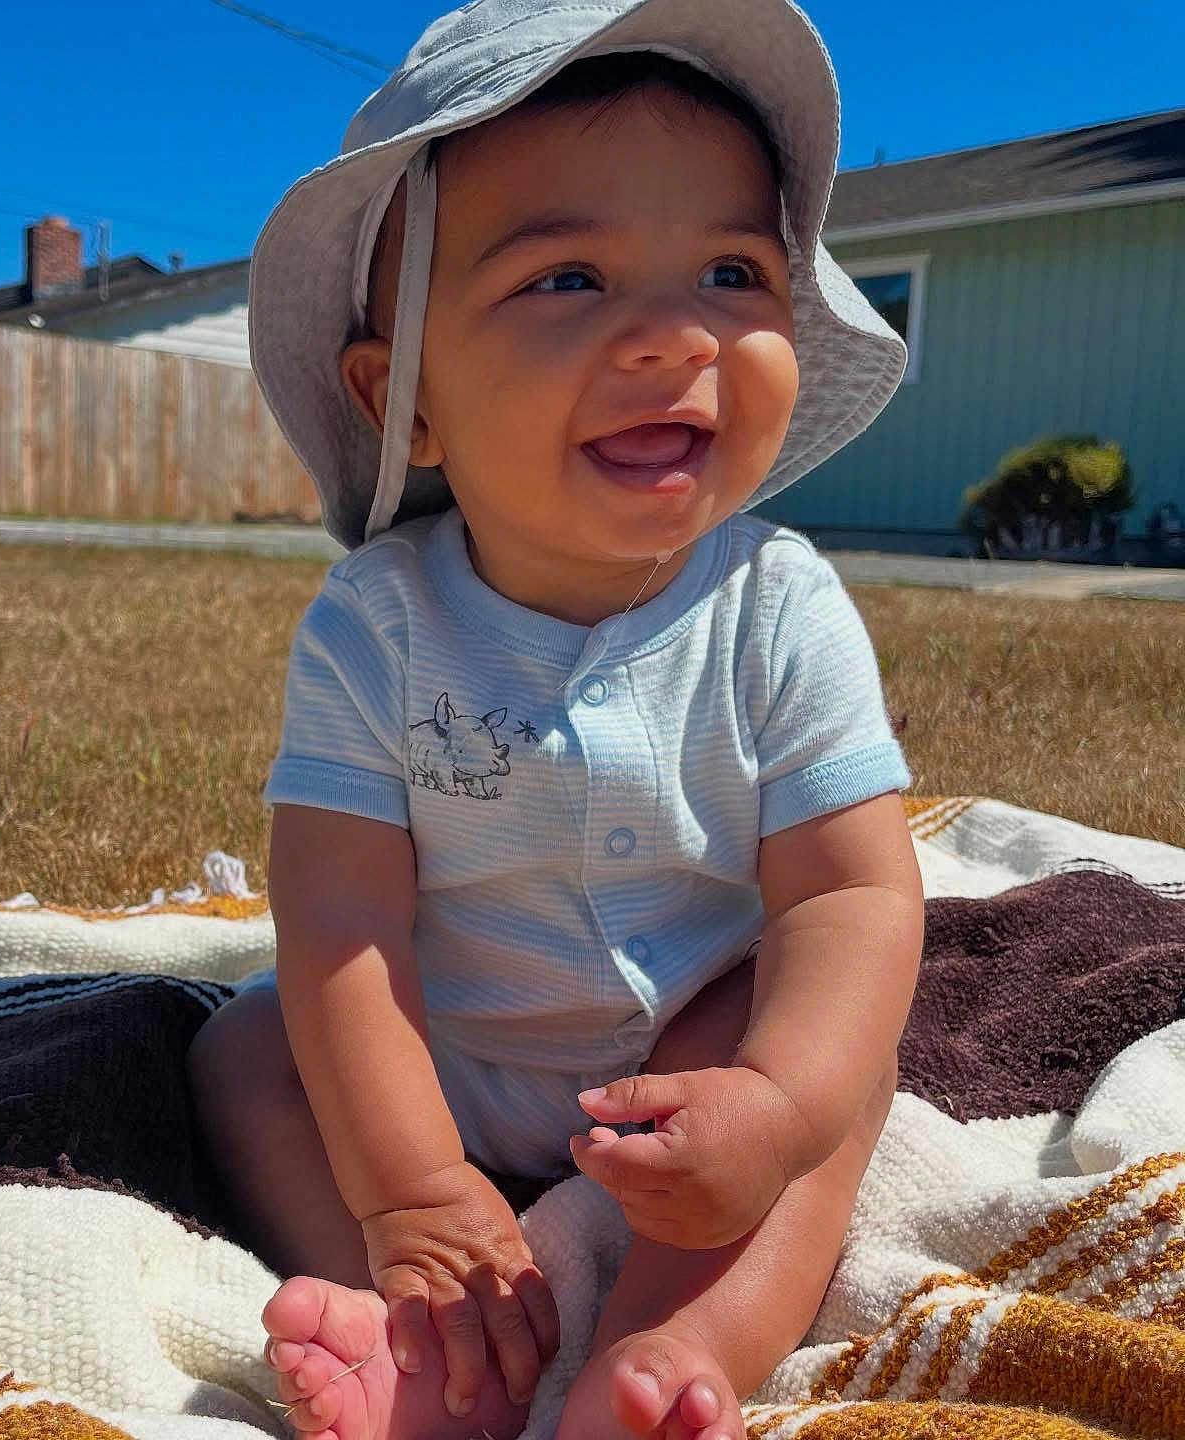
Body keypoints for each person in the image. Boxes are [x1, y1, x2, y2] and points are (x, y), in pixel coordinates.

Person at [188, 3, 924, 1438]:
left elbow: (852, 889)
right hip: (435, 1062)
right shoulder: (378, 623)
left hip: (687, 1064)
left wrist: (774, 1107)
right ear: (402, 404)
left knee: (840, 1076)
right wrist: (410, 1188)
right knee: (247, 1053)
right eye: (568, 278)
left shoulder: (779, 602)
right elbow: (342, 923)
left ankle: (669, 1350)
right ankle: (433, 1345)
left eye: (731, 270)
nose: (671, 334)